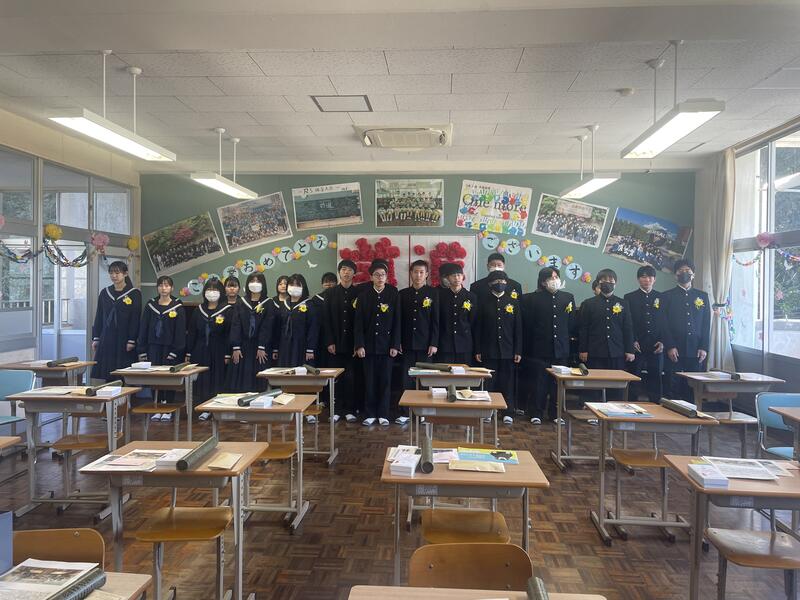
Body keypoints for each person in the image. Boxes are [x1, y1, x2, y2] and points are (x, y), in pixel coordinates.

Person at [520, 267, 576, 424]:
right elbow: (528, 324)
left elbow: (571, 322)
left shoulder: (568, 297)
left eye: (556, 277)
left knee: (557, 383)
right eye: (551, 278)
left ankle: (555, 414)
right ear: (543, 282)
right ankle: (536, 413)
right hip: (539, 348)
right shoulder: (532, 299)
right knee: (539, 382)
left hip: (561, 349)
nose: (555, 280)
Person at [354, 261, 400, 426]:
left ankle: (383, 413)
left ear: (387, 277)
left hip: (387, 347)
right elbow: (358, 323)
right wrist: (359, 345)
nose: (380, 278)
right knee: (370, 381)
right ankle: (370, 413)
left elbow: (397, 322)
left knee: (385, 381)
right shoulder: (364, 296)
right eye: (377, 275)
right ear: (371, 277)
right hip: (368, 347)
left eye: (383, 275)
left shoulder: (393, 294)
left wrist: (395, 345)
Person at [578, 269, 635, 399]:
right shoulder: (589, 303)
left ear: (615, 283)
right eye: (604, 280)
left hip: (617, 352)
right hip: (595, 351)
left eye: (610, 280)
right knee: (593, 385)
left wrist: (630, 350)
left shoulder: (623, 303)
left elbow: (628, 328)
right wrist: (583, 349)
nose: (607, 283)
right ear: (598, 283)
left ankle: (614, 410)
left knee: (616, 387)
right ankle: (591, 409)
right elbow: (584, 328)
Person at [474, 270, 522, 424]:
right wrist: (478, 349)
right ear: (490, 284)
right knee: (489, 381)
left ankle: (508, 412)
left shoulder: (513, 302)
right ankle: (488, 410)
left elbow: (518, 328)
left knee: (507, 381)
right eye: (496, 281)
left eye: (503, 281)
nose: (500, 284)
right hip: (488, 349)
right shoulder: (483, 302)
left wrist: (518, 350)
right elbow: (478, 328)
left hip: (508, 350)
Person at [137, 275, 186, 421]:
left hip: (169, 348)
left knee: (168, 378)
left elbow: (180, 331)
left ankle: (168, 408)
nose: (163, 288)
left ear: (172, 288)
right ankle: (157, 406)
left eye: (167, 285)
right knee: (155, 378)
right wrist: (142, 349)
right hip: (153, 347)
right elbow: (143, 328)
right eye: (161, 285)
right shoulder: (151, 305)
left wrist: (175, 351)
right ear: (157, 287)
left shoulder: (177, 306)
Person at [661, 259, 711, 400]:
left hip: (696, 350)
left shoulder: (702, 296)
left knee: (693, 386)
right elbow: (664, 324)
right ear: (675, 275)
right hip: (675, 349)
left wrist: (704, 347)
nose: (684, 273)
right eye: (681, 271)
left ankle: (692, 411)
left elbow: (706, 324)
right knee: (673, 385)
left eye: (688, 271)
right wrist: (670, 346)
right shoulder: (667, 296)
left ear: (693, 274)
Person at [397, 260, 439, 423]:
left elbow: (436, 321)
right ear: (410, 273)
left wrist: (434, 343)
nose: (418, 275)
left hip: (426, 344)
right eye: (415, 272)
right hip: (407, 343)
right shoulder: (403, 294)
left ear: (427, 274)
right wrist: (398, 342)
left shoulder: (433, 293)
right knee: (406, 378)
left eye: (422, 272)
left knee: (425, 379)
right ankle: (405, 412)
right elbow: (398, 321)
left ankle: (424, 411)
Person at [186, 278, 233, 419]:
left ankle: (215, 407)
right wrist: (189, 352)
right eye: (209, 290)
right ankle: (204, 407)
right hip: (200, 349)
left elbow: (229, 333)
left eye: (215, 290)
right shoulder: (198, 310)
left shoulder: (227, 310)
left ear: (221, 292)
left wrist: (227, 353)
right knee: (203, 377)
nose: (211, 293)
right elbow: (192, 332)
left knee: (217, 377)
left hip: (219, 349)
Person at [91, 261, 141, 382]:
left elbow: (135, 318)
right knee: (108, 370)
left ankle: (125, 393)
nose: (114, 276)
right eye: (111, 273)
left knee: (123, 371)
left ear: (125, 274)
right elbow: (99, 316)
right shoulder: (105, 293)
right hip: (108, 337)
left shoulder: (134, 293)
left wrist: (132, 339)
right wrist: (96, 338)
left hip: (125, 338)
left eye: (117, 273)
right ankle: (109, 392)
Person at [324, 260, 360, 423]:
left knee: (351, 378)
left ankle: (350, 409)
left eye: (350, 270)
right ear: (339, 272)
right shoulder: (330, 293)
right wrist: (329, 341)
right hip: (335, 344)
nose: (346, 272)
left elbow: (361, 320)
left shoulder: (359, 293)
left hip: (352, 344)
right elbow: (326, 320)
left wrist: (358, 343)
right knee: (335, 378)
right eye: (343, 269)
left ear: (354, 273)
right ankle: (336, 409)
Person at [624, 265, 665, 402]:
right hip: (637, 344)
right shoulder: (629, 297)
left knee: (656, 375)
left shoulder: (661, 297)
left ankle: (656, 404)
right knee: (634, 375)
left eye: (650, 277)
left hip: (656, 344)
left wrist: (662, 341)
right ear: (638, 279)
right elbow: (628, 322)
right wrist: (632, 340)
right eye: (643, 277)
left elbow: (666, 322)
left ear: (654, 279)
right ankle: (631, 403)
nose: (647, 280)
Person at [227, 272, 273, 393]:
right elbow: (236, 324)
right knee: (241, 378)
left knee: (259, 380)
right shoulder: (241, 302)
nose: (255, 284)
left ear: (263, 284)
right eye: (252, 281)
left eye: (258, 281)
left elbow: (267, 326)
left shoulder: (268, 303)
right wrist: (236, 346)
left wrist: (262, 346)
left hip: (260, 347)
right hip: (242, 346)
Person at [275, 274, 319, 370]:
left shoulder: (309, 305)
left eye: (298, 285)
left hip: (301, 345)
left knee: (300, 372)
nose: (294, 287)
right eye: (291, 284)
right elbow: (278, 327)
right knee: (284, 371)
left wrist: (310, 349)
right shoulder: (283, 305)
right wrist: (275, 348)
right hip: (285, 345)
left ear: (303, 287)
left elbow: (313, 328)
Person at [437, 262, 477, 365]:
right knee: (445, 372)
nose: (457, 278)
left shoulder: (470, 296)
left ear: (463, 276)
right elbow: (438, 320)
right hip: (445, 344)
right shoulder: (441, 296)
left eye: (459, 275)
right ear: (448, 278)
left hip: (464, 343)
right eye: (453, 275)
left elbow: (473, 321)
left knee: (464, 372)